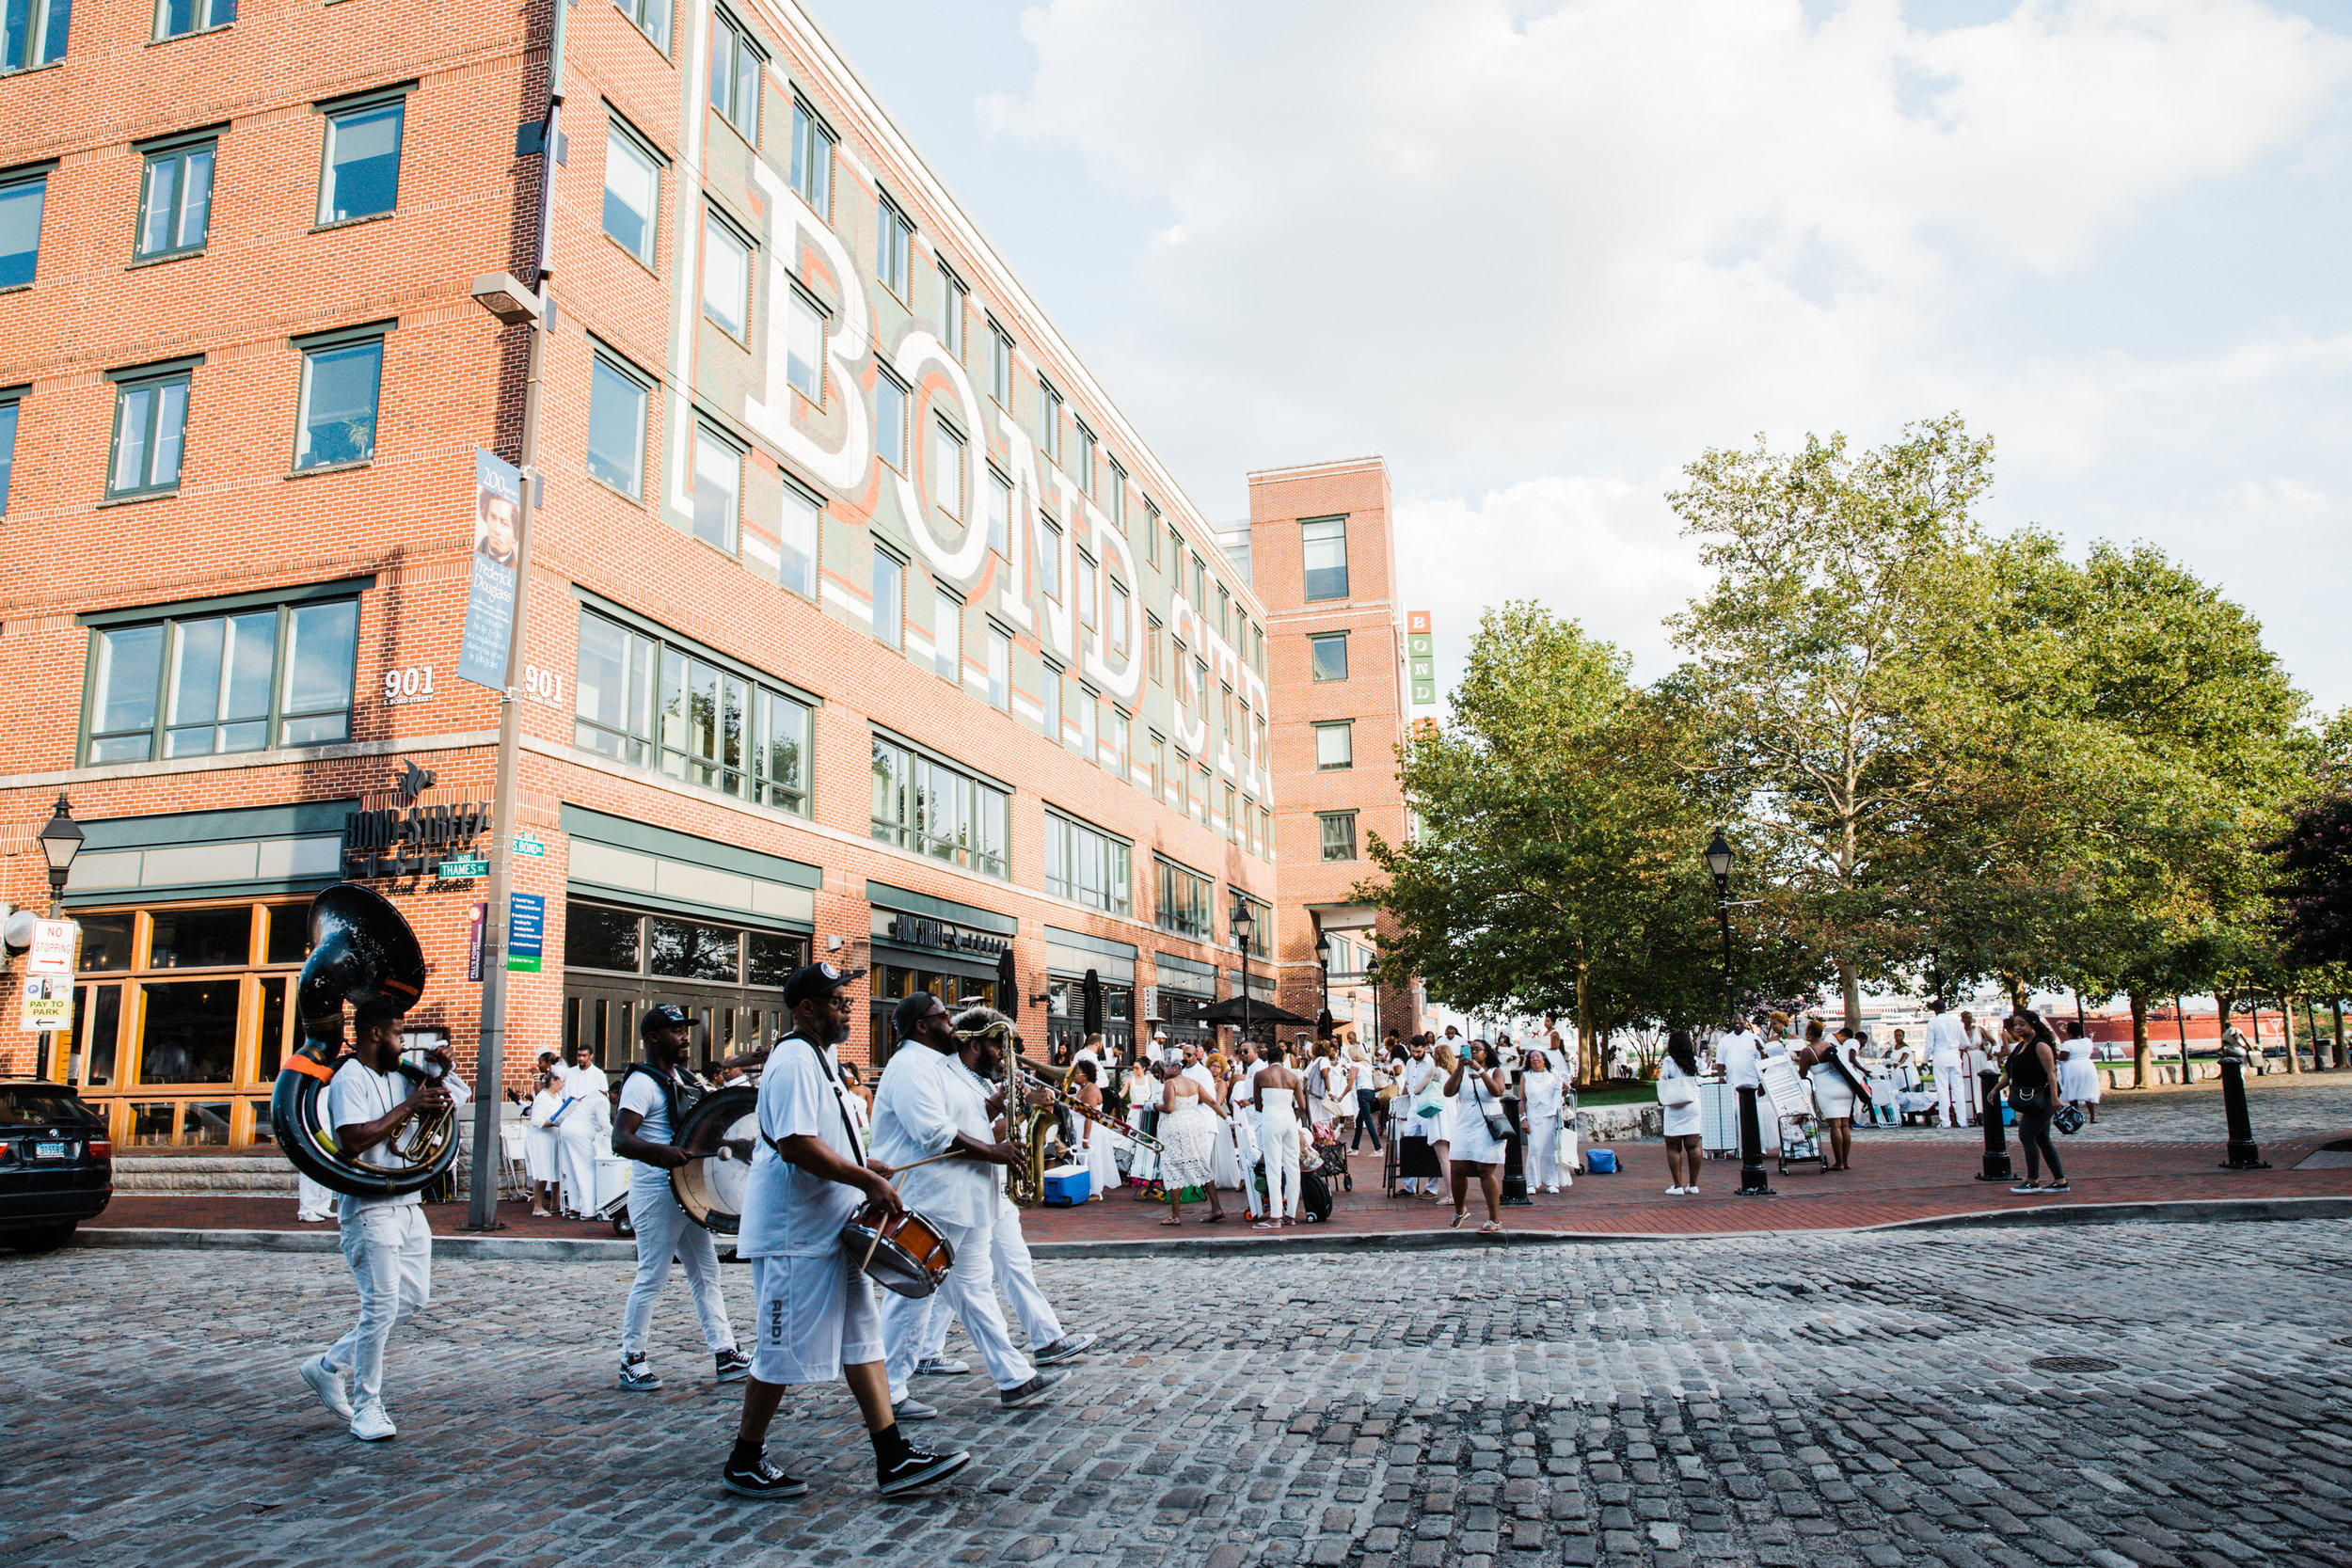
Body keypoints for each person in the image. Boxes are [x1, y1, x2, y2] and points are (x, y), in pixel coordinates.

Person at [722, 961, 968, 1501]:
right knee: (777, 1349)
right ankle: (744, 1458)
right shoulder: (791, 1061)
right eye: (838, 1001)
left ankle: (892, 1455)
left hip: (830, 1228)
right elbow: (795, 1145)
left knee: (863, 1340)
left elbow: (827, 1136)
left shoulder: (822, 1057)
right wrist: (864, 1179)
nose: (848, 1008)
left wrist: (868, 1164)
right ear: (806, 1009)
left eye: (847, 1001)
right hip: (794, 1233)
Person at [872, 996, 1061, 1422]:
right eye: (942, 1017)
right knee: (913, 1294)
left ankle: (1014, 1377)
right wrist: (994, 1152)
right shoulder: (909, 1067)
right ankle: (889, 1389)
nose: (950, 1023)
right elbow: (934, 1134)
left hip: (964, 1200)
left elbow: (964, 1115)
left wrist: (995, 1105)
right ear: (922, 1026)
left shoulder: (938, 1066)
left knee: (974, 1291)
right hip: (932, 1197)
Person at [298, 1005, 469, 1442]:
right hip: (369, 1206)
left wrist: (434, 1079)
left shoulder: (399, 1076)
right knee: (379, 1307)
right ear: (375, 1034)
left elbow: (435, 1110)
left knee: (413, 1299)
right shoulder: (349, 1078)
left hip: (409, 1201)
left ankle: (329, 1364)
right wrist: (412, 1102)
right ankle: (366, 1407)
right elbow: (352, 1139)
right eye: (398, 1034)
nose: (404, 1042)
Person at [612, 1005, 749, 1391]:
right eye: (675, 1030)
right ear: (653, 1037)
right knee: (652, 1276)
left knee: (707, 1273)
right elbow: (620, 1139)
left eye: (685, 1029)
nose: (685, 1036)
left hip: (688, 1191)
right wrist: (662, 1153)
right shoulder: (642, 1083)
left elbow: (709, 1119)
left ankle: (725, 1353)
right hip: (657, 1191)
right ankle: (631, 1358)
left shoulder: (682, 1078)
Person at [1997, 1010, 2069, 1196]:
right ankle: (2060, 1181)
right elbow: (2010, 1072)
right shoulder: (2021, 1047)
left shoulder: (2040, 1046)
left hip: (2042, 1098)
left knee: (2026, 1134)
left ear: (2033, 1025)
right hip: (2031, 1099)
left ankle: (2033, 1180)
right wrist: (1995, 1089)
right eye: (2016, 1025)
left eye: (2022, 1024)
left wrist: (2054, 1098)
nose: (2018, 1028)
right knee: (2042, 1139)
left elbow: (2051, 1072)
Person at [1442, 1038, 1508, 1232]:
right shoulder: (1463, 1071)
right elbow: (1448, 1092)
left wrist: (1480, 1070)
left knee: (1485, 1170)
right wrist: (1459, 1069)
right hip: (1465, 1121)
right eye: (1470, 1050)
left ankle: (1494, 1220)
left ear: (1487, 1052)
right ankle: (1460, 1210)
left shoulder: (1495, 1071)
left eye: (1477, 1049)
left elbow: (1497, 1091)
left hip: (1488, 1121)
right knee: (1457, 1168)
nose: (1473, 1052)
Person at [1155, 1058, 1224, 1226]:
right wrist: (1226, 1118)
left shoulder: (1171, 1083)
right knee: (1200, 1164)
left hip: (1176, 1126)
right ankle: (1216, 1207)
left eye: (1167, 1065)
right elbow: (1213, 1102)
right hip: (1194, 1123)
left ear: (1176, 1067)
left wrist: (1156, 1106)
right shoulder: (1194, 1083)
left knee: (1173, 1166)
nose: (1164, 1068)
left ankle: (1175, 1215)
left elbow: (1169, 1107)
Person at [1248, 1039, 1307, 1228]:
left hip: (1271, 1116)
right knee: (1292, 1166)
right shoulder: (1293, 1076)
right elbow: (1303, 1107)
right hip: (1289, 1117)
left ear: (1268, 1060)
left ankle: (1275, 1215)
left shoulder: (1261, 1075)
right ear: (1283, 1058)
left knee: (1273, 1166)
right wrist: (1294, 1117)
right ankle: (1291, 1214)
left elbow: (1257, 1104)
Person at [553, 1041, 610, 1219]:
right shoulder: (570, 1074)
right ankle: (585, 1209)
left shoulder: (598, 1075)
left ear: (591, 1057)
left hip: (578, 1126)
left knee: (577, 1167)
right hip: (574, 1125)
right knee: (583, 1168)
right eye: (579, 1056)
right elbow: (564, 1099)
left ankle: (577, 1207)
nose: (581, 1059)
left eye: (584, 1056)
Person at [1657, 1030, 1704, 1195]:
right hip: (1692, 1105)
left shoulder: (1669, 1061)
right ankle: (1693, 1185)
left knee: (1673, 1147)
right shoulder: (1695, 1061)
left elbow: (1663, 1080)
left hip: (1675, 1106)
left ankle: (1677, 1186)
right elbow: (1703, 1070)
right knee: (1693, 1145)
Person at [1519, 1048, 1568, 1193]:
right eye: (1532, 1057)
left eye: (1538, 1056)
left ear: (1544, 1059)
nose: (1535, 1059)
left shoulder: (1553, 1074)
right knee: (1535, 1149)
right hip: (1534, 1116)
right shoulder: (1526, 1076)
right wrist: (1523, 1118)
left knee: (1550, 1149)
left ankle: (1551, 1182)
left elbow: (1562, 1094)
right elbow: (1522, 1098)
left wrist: (1564, 1087)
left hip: (1551, 1117)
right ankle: (1531, 1182)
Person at [1073, 1060, 1121, 1199]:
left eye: (1077, 1074)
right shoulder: (1083, 1088)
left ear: (1086, 1075)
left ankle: (1096, 1191)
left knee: (1092, 1159)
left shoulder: (1091, 1090)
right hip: (1083, 1128)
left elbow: (1089, 1116)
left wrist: (1085, 1138)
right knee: (1085, 1159)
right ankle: (1090, 1187)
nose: (1074, 1076)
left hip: (1091, 1130)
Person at [524, 1053, 564, 1217]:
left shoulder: (558, 1097)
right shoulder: (542, 1097)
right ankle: (538, 1206)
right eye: (561, 1081)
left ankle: (555, 1202)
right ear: (552, 1081)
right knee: (542, 1172)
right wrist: (552, 1121)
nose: (562, 1085)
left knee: (555, 1169)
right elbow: (536, 1120)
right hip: (541, 1138)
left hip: (553, 1137)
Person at [1928, 1000, 1972, 1129]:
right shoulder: (1956, 1022)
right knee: (1958, 1089)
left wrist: (1925, 1060)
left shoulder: (1933, 1023)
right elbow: (1965, 1043)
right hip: (1954, 1056)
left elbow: (1930, 1045)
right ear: (1945, 1008)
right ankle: (1962, 1120)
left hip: (1940, 1057)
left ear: (1934, 1010)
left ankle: (1945, 1121)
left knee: (1942, 1090)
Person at [2058, 1021, 2102, 1123]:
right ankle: (2092, 1116)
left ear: (2069, 1033)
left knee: (2073, 1092)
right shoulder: (2087, 1041)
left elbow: (2064, 1057)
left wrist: (2056, 1056)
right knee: (2089, 1091)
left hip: (2072, 1068)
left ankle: (2076, 1116)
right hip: (2088, 1066)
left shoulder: (2067, 1044)